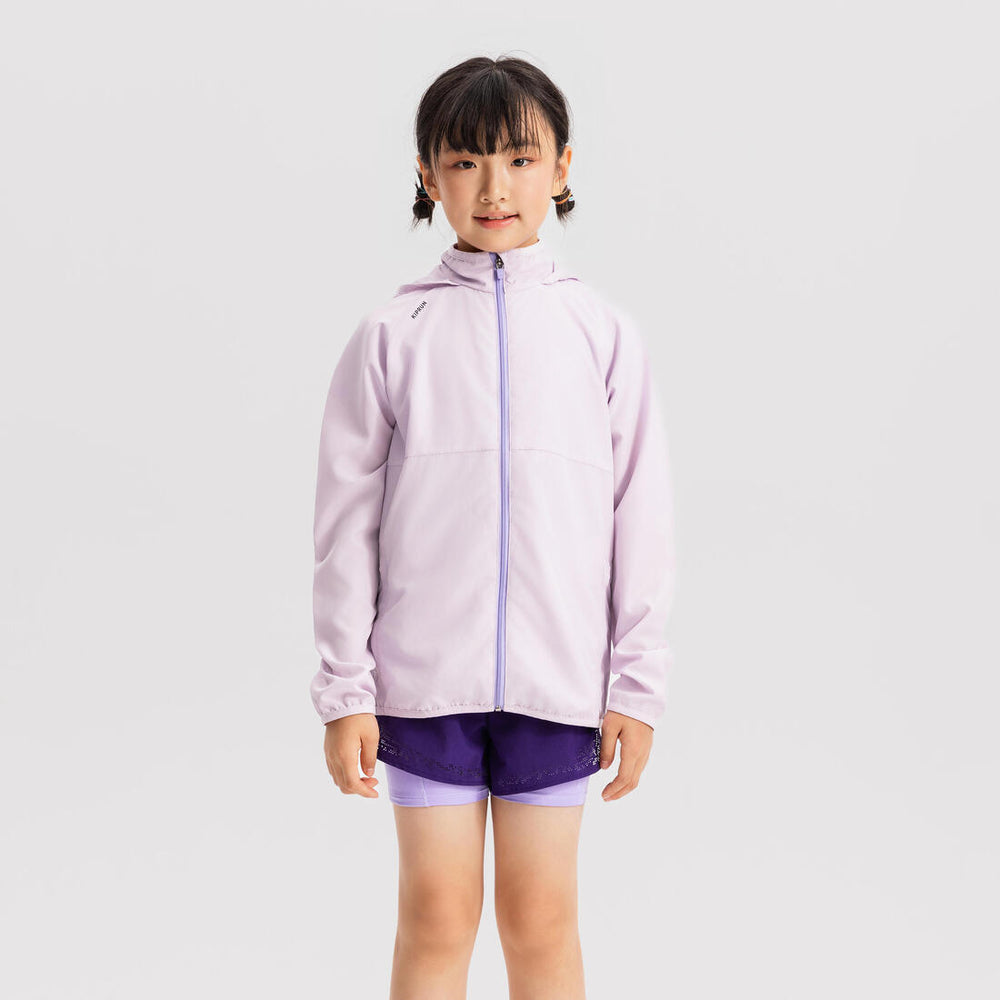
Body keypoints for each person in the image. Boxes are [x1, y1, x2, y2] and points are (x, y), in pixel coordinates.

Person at [310, 54, 676, 1000]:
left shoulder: (604, 335)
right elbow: (344, 527)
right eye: (465, 161)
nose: (493, 187)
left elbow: (641, 519)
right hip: (423, 682)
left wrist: (637, 688)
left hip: (559, 681)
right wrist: (345, 689)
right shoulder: (392, 336)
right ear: (428, 175)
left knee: (540, 919)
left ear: (562, 166)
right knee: (437, 915)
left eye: (519, 159)